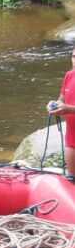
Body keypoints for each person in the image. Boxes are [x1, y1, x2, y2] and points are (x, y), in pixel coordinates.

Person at [48, 45, 75, 176]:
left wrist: (68, 109)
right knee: (72, 179)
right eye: (74, 56)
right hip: (72, 137)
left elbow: (68, 107)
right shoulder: (69, 76)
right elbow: (62, 98)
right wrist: (55, 105)